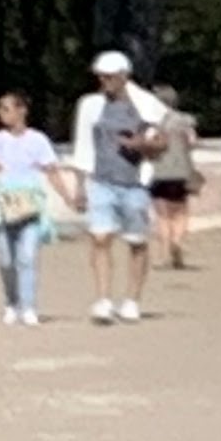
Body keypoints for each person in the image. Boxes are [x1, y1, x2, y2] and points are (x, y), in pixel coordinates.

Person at [67, 53, 173, 324]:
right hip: (101, 181)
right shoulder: (90, 105)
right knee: (100, 238)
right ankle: (103, 299)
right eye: (100, 77)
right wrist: (79, 186)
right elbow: (83, 145)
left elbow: (162, 144)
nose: (104, 82)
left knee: (136, 241)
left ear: (124, 76)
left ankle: (132, 300)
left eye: (109, 77)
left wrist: (141, 145)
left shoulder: (146, 106)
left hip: (135, 183)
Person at [0, 93, 57, 326]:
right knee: (6, 259)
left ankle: (29, 306)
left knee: (28, 257)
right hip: (4, 204)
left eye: (7, 108)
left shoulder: (38, 140)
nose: (2, 113)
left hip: (30, 203)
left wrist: (69, 197)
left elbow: (51, 169)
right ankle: (11, 301)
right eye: (0, 109)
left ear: (22, 110)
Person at [144, 82, 200, 271]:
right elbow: (192, 142)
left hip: (159, 172)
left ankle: (165, 255)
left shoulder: (153, 124)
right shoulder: (185, 121)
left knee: (162, 216)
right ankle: (177, 242)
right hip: (182, 172)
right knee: (181, 213)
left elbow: (147, 147)